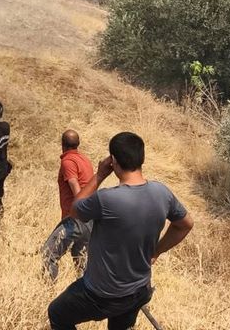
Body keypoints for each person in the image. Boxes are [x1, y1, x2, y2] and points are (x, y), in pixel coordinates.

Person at [47, 131, 194, 330]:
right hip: (138, 289)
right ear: (142, 158)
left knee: (57, 313)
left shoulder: (106, 199)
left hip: (101, 294)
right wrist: (156, 251)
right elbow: (185, 224)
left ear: (113, 161)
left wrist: (99, 175)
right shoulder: (162, 193)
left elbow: (75, 209)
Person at [41, 129, 95, 280]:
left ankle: (47, 293)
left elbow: (76, 189)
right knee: (81, 262)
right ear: (78, 144)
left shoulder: (68, 161)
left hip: (75, 219)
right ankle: (85, 297)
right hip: (88, 220)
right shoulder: (84, 160)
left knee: (48, 253)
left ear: (62, 144)